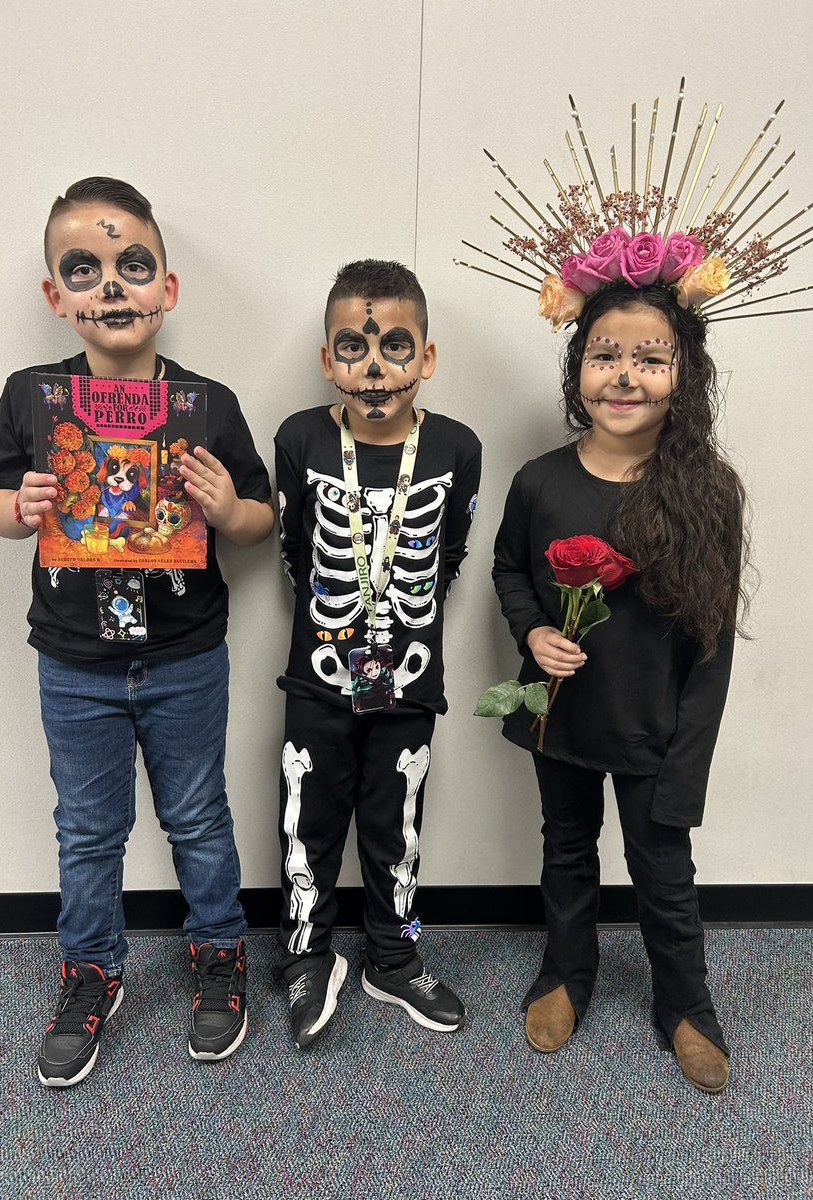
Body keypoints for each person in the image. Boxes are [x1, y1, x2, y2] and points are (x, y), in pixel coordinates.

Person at [0, 177, 274, 1086]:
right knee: (87, 827)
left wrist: (227, 508)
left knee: (198, 814)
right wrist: (18, 507)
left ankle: (219, 952)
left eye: (132, 265)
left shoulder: (207, 405)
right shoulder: (32, 397)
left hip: (186, 653)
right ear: (55, 295)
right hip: (74, 661)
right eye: (84, 269)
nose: (111, 287)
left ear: (166, 288)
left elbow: (261, 518)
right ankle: (91, 971)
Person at [492, 281, 747, 1094]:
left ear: (684, 373)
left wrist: (689, 763)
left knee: (662, 873)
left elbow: (712, 647)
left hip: (655, 728)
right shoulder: (539, 481)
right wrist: (532, 632)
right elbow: (509, 569)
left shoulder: (708, 491)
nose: (625, 376)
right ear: (578, 369)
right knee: (565, 851)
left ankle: (687, 1006)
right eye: (605, 355)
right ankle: (567, 975)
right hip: (561, 715)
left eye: (650, 358)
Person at [274, 259, 481, 1048]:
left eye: (395, 346)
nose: (373, 368)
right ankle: (306, 955)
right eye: (352, 348)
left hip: (410, 678)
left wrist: (400, 625)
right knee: (307, 821)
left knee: (399, 825)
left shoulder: (457, 446)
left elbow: (449, 554)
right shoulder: (300, 438)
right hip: (317, 677)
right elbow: (296, 552)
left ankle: (392, 957)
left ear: (426, 357)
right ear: (328, 360)